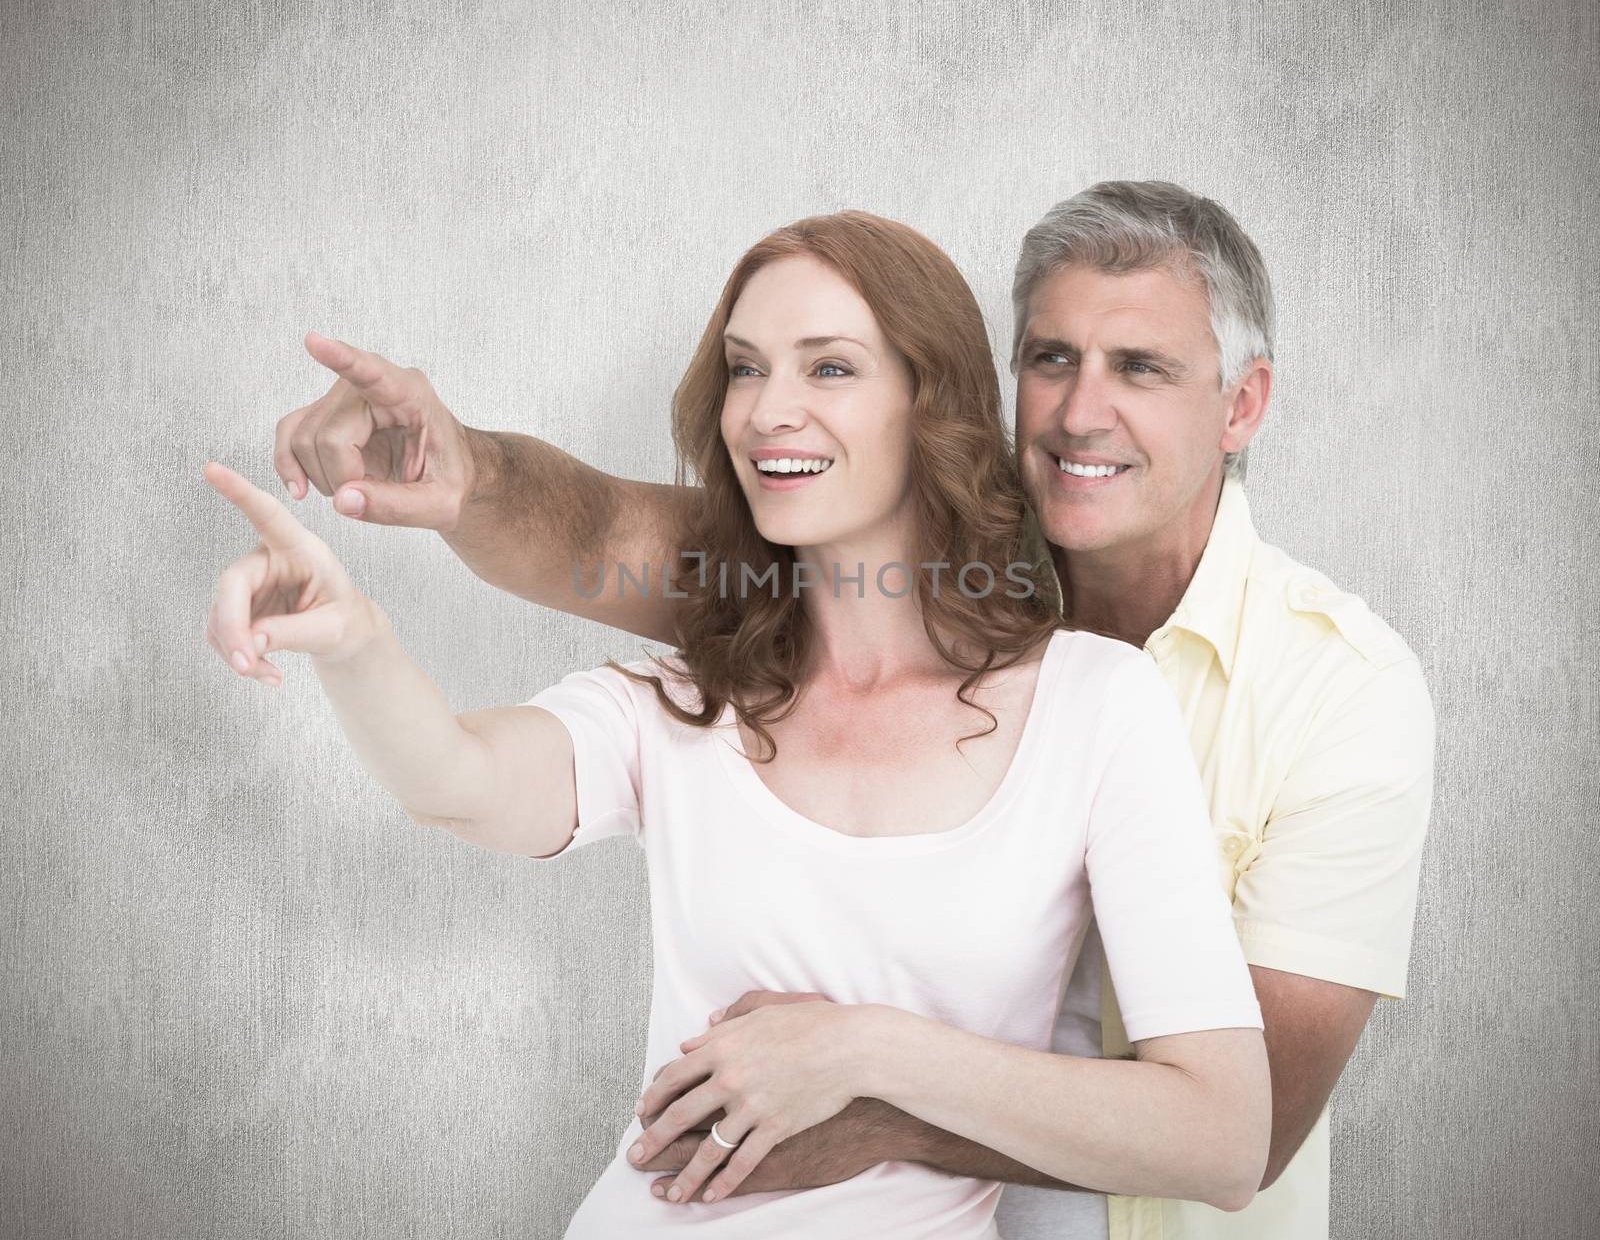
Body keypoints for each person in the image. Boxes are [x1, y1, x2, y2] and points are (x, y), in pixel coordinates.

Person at [256, 182, 1436, 1240]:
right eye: (1050, 358)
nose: (1079, 414)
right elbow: (599, 550)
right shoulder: (780, 623)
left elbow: (1241, 1132)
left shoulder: (1329, 692)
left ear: (1242, 405)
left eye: (1142, 368)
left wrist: (872, 1095)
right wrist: (448, 487)